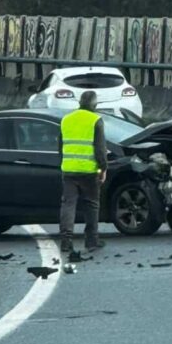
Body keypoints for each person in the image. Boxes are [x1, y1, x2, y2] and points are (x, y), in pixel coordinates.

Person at [58, 89, 108, 254]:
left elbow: (60, 146)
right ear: (94, 105)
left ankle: (66, 241)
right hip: (89, 171)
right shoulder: (96, 120)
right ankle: (91, 241)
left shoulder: (66, 119)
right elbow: (100, 149)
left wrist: (64, 164)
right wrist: (103, 169)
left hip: (69, 170)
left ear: (80, 102)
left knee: (68, 205)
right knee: (92, 205)